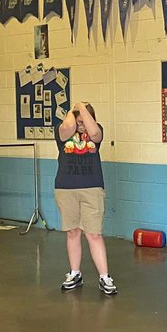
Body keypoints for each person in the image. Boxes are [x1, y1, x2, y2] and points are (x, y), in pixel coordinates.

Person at [55, 102, 116, 295]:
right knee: (72, 232)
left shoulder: (97, 132)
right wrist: (73, 111)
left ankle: (104, 277)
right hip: (66, 188)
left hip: (92, 188)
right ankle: (75, 273)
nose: (80, 124)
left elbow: (94, 131)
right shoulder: (62, 133)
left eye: (84, 120)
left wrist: (81, 107)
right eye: (78, 120)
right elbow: (67, 128)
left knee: (94, 234)